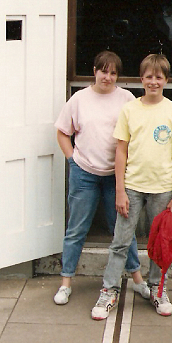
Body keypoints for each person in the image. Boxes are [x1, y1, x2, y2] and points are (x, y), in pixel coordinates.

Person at [91, 54, 172, 320]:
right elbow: (121, 152)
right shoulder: (130, 110)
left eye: (159, 77)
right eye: (148, 77)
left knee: (159, 244)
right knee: (120, 242)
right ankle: (109, 290)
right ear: (141, 79)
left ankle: (158, 289)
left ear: (166, 80)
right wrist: (120, 190)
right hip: (133, 187)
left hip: (163, 189)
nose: (153, 82)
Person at [53, 51, 150, 305]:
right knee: (76, 228)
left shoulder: (126, 99)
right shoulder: (79, 100)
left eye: (113, 73)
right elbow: (63, 132)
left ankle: (138, 279)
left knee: (122, 230)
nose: (107, 77)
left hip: (115, 177)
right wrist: (72, 160)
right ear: (94, 71)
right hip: (84, 173)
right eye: (103, 71)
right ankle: (65, 282)